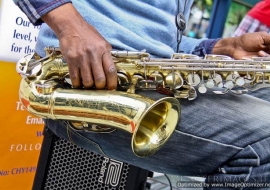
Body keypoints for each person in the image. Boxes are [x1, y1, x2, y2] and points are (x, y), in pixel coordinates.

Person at [13, 0, 270, 189]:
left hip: (141, 75)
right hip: (80, 80)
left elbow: (158, 45)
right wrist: (70, 26)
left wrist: (224, 47)